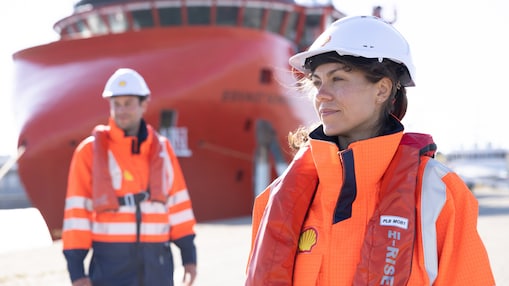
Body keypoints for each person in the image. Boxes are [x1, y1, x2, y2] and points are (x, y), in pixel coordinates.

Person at [245, 16, 495, 285]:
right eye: (317, 82)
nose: (321, 95)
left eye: (338, 78)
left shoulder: (437, 192)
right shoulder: (277, 196)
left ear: (383, 89)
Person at [62, 68, 197, 286]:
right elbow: (76, 215)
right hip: (110, 268)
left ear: (144, 104)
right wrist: (77, 272)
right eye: (117, 103)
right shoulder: (88, 152)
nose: (122, 110)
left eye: (129, 103)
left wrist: (189, 257)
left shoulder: (163, 150)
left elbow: (178, 206)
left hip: (158, 267)